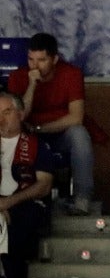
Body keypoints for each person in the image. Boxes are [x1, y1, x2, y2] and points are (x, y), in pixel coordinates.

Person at [6, 33, 92, 215]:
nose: (35, 65)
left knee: (80, 134)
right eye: (31, 59)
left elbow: (76, 117)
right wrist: (31, 85)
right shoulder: (18, 76)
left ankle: (81, 199)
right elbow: (20, 116)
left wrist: (40, 128)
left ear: (54, 59)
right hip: (27, 135)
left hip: (58, 133)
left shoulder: (71, 74)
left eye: (42, 60)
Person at [0, 91, 54, 278]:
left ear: (20, 114)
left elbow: (43, 185)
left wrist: (7, 205)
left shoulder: (37, 146)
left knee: (21, 224)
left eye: (7, 112)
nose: (1, 119)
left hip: (23, 206)